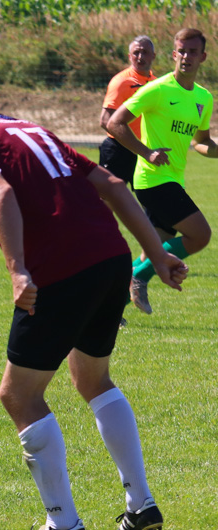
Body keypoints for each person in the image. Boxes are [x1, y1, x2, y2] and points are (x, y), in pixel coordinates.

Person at [0, 58, 188, 530]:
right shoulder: (33, 129)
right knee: (93, 379)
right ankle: (141, 504)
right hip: (111, 258)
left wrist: (17, 270)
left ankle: (64, 527)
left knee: (19, 395)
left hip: (63, 269)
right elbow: (113, 185)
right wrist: (157, 255)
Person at [107, 28, 217, 316]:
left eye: (192, 52)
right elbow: (114, 123)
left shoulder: (204, 98)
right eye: (181, 51)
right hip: (152, 180)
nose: (186, 56)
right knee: (201, 235)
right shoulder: (157, 89)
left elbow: (201, 143)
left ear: (203, 57)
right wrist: (147, 152)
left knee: (148, 251)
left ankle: (106, 309)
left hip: (172, 180)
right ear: (173, 54)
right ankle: (141, 276)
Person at [99, 36, 157, 188]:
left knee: (152, 199)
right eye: (136, 53)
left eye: (145, 52)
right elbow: (105, 120)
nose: (140, 57)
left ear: (153, 56)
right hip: (119, 150)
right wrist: (132, 144)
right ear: (129, 56)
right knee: (108, 201)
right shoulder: (121, 82)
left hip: (144, 151)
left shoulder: (157, 84)